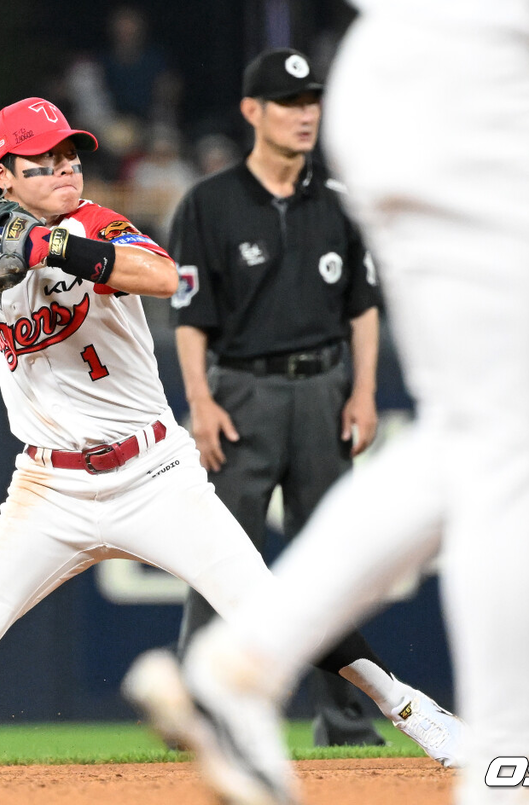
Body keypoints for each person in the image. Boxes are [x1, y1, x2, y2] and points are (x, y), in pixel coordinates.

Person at [0, 96, 457, 777]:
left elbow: (166, 276)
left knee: (272, 610)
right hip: (49, 488)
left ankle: (412, 709)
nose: (68, 167)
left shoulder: (93, 227)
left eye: (72, 154)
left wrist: (51, 247)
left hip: (154, 475)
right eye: (45, 160)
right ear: (2, 174)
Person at [123, 2, 529, 805]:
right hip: (484, 82)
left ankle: (242, 666)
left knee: (480, 437)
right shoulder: (213, 201)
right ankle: (507, 770)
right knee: (517, 448)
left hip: (422, 76)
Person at [168, 47, 396, 748]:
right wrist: (201, 401)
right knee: (221, 558)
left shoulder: (338, 201)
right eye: (289, 103)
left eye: (311, 102)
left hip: (324, 389)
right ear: (252, 111)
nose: (305, 115)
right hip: (242, 391)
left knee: (334, 562)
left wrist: (363, 390)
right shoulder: (209, 202)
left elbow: (363, 305)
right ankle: (203, 712)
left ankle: (347, 719)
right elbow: (188, 313)